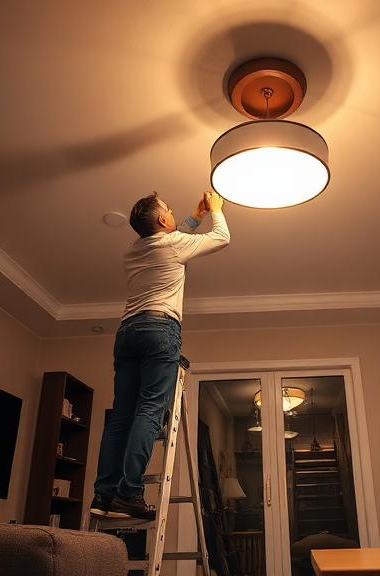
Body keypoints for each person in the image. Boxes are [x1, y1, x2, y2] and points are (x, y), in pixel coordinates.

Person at [91, 190, 229, 519]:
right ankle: (129, 494)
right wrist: (216, 210)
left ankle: (104, 495)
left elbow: (172, 236)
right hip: (159, 329)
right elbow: (222, 237)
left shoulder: (133, 250)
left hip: (127, 332)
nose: (173, 213)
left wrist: (195, 216)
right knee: (149, 411)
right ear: (163, 219)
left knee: (120, 417)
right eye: (169, 210)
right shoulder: (172, 244)